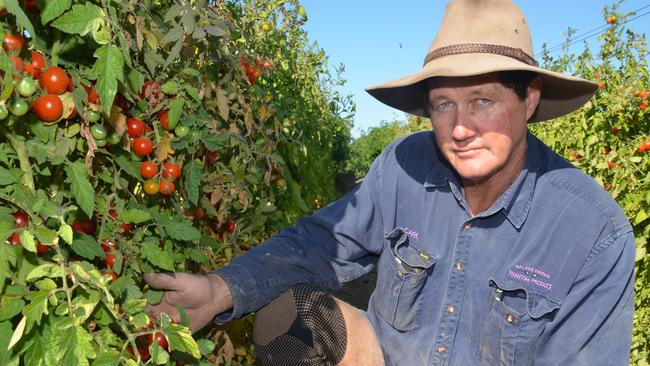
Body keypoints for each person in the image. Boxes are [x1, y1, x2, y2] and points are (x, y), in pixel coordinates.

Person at [144, 0, 636, 365]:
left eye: (483, 100)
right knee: (290, 316)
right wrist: (219, 288)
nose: (460, 128)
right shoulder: (406, 165)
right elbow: (324, 241)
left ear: (528, 99)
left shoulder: (592, 233)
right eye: (445, 104)